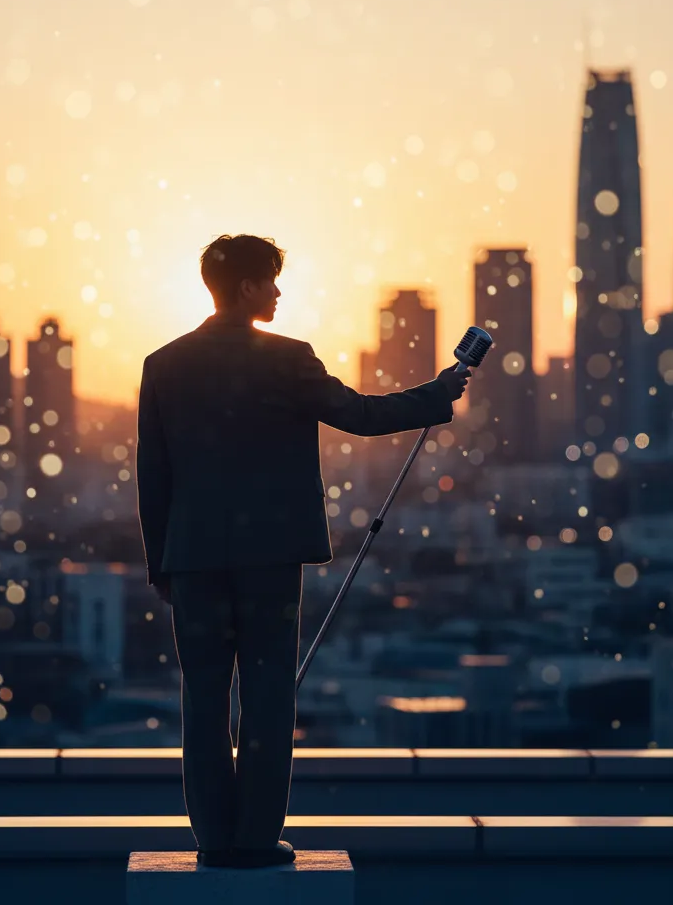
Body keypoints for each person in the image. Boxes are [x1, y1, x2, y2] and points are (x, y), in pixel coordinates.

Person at [135, 234, 470, 869]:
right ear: (245, 289)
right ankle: (257, 838)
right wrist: (437, 393)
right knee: (268, 696)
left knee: (202, 699)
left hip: (193, 558)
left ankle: (212, 837)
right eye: (270, 282)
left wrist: (162, 564)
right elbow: (363, 415)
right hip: (270, 554)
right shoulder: (286, 359)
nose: (279, 292)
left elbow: (153, 475)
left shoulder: (164, 364)